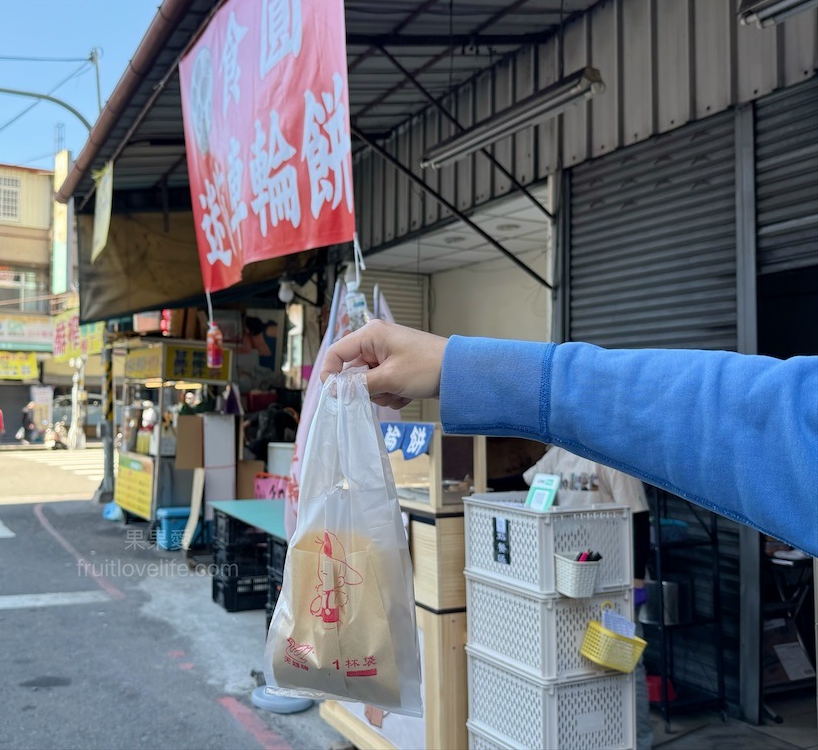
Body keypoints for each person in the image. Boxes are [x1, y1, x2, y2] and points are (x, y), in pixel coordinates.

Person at [320, 319, 818, 557]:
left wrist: (461, 368)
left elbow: (767, 420)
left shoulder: (606, 464)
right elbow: (771, 419)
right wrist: (460, 369)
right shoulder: (558, 458)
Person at [524, 446, 653, 750]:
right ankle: (600, 739)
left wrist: (635, 582)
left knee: (625, 663)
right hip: (574, 579)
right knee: (584, 666)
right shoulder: (559, 452)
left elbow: (639, 518)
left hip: (615, 583)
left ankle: (639, 741)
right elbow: (529, 481)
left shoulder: (611, 456)